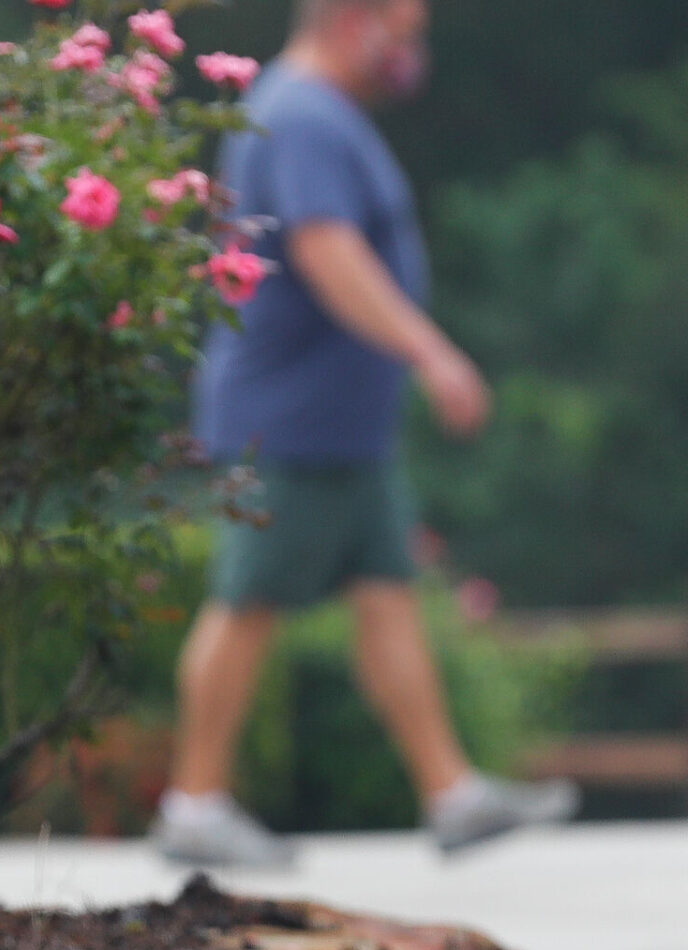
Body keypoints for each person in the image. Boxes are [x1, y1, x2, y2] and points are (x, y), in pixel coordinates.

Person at [150, 0, 578, 868]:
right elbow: (327, 253)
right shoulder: (301, 113)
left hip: (342, 428)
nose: (411, 52)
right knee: (247, 603)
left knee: (387, 596)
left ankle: (449, 791)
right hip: (289, 424)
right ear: (353, 20)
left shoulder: (321, 112)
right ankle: (193, 804)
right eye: (405, 31)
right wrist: (431, 352)